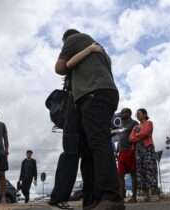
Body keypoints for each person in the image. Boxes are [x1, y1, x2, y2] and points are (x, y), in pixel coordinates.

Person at [55, 29, 124, 210]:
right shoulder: (101, 52)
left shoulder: (74, 39)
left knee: (98, 144)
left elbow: (59, 68)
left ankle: (111, 197)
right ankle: (92, 200)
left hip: (93, 94)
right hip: (102, 94)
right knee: (88, 149)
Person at [49, 75, 79, 210]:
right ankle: (59, 197)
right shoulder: (70, 93)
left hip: (80, 117)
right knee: (70, 156)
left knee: (74, 157)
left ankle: (59, 197)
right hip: (73, 118)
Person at [130, 108, 158, 201]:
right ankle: (145, 193)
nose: (137, 115)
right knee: (140, 169)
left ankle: (153, 192)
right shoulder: (135, 127)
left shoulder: (149, 123)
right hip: (138, 149)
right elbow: (130, 138)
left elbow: (146, 133)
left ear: (145, 114)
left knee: (150, 168)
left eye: (139, 113)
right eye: (136, 114)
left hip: (148, 147)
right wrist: (139, 136)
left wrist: (137, 136)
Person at [111, 108, 138, 202]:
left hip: (131, 151)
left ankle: (134, 197)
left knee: (133, 174)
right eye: (121, 112)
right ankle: (121, 197)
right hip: (121, 152)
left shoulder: (134, 123)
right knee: (120, 174)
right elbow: (120, 138)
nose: (122, 114)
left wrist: (135, 148)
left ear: (129, 113)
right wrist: (117, 150)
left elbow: (138, 136)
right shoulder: (121, 125)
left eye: (125, 112)